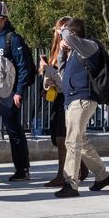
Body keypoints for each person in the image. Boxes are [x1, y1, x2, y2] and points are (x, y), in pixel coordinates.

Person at [46, 18, 109, 197]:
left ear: (73, 34)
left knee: (72, 141)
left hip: (82, 100)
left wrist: (62, 30)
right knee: (80, 141)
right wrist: (62, 53)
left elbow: (69, 36)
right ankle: (102, 176)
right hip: (72, 100)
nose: (62, 39)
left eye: (65, 35)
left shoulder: (89, 46)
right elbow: (62, 73)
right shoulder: (74, 52)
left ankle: (71, 184)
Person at [0, 2, 35, 181]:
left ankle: (22, 169)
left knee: (14, 131)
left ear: (4, 19)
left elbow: (24, 67)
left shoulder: (13, 39)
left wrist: (18, 92)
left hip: (9, 93)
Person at [37, 17, 71, 187]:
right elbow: (53, 79)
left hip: (67, 97)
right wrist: (45, 78)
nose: (58, 34)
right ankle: (81, 166)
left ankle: (62, 174)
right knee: (59, 138)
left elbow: (64, 78)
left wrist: (47, 69)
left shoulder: (70, 49)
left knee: (62, 138)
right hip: (57, 97)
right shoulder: (56, 50)